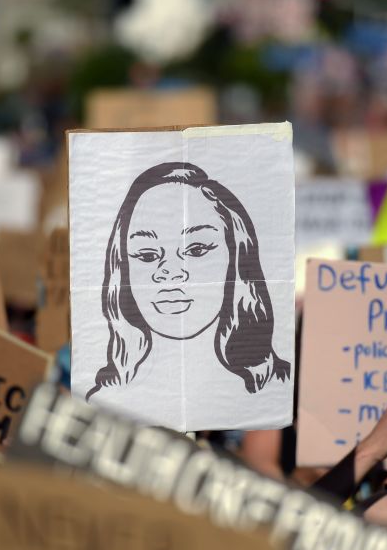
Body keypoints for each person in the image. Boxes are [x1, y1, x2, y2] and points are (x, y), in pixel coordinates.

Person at [86, 162, 291, 404]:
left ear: (235, 255)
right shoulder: (105, 404)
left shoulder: (277, 393)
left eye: (196, 249)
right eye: (148, 255)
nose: (171, 272)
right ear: (122, 267)